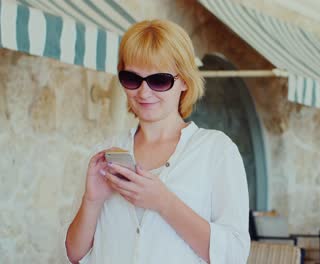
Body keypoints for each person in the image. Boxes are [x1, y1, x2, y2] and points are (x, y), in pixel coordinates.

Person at [65, 19, 250, 264]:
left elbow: (234, 254)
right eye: (132, 78)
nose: (143, 92)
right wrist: (92, 200)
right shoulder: (106, 153)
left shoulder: (216, 151)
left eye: (159, 80)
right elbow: (74, 254)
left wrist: (163, 202)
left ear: (184, 81)